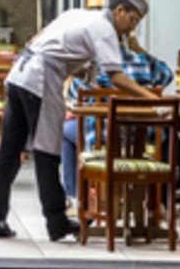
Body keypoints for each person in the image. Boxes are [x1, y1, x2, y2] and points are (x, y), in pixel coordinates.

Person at [0, 0, 158, 241]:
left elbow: (39, 40)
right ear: (119, 10)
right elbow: (116, 76)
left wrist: (76, 70)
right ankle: (56, 222)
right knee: (47, 151)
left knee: (9, 151)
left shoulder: (77, 14)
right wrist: (154, 100)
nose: (131, 29)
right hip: (40, 80)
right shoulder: (104, 28)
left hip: (19, 74)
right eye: (132, 20)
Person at [60, 36, 174, 199]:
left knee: (65, 132)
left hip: (102, 140)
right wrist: (140, 50)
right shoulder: (145, 62)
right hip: (143, 139)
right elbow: (167, 75)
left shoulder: (94, 66)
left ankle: (74, 196)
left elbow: (73, 93)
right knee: (164, 137)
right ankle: (156, 202)